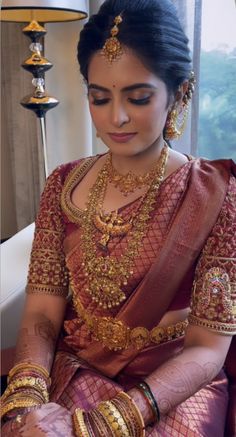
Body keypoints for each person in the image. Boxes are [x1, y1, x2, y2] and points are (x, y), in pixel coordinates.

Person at [1, 0, 235, 435]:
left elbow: (207, 349)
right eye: (99, 97)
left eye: (139, 97)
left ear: (178, 93)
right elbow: (43, 311)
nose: (117, 117)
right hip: (78, 366)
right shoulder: (63, 185)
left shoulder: (216, 194)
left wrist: (100, 425)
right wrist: (26, 402)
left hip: (173, 389)